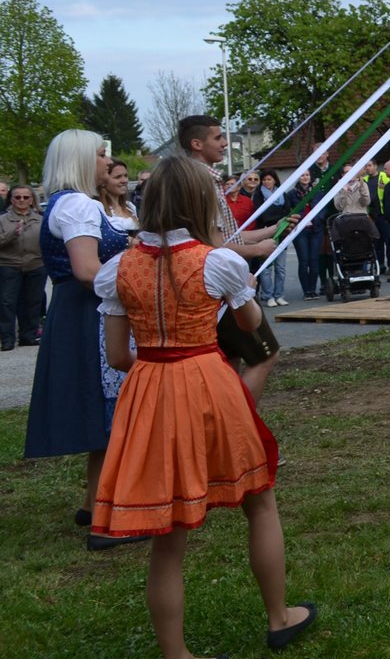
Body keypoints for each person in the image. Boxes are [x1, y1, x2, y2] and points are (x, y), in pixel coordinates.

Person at [90, 157, 318, 655]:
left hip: (150, 388)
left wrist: (158, 370)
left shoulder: (118, 268)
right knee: (259, 500)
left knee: (167, 534)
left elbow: (117, 356)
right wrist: (242, 292)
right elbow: (250, 323)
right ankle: (279, 617)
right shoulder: (217, 262)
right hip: (210, 384)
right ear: (199, 203)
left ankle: (176, 653)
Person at [23, 130, 143, 550]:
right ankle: (109, 521)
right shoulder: (78, 204)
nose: (106, 162)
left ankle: (93, 505)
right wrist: (141, 280)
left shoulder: (68, 202)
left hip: (82, 311)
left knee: (106, 418)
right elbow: (88, 271)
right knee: (113, 414)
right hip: (92, 315)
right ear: (78, 160)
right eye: (100, 155)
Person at [177, 115, 281, 401]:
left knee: (229, 357)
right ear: (197, 144)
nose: (225, 143)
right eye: (218, 137)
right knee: (265, 356)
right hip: (219, 284)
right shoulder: (202, 181)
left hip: (210, 281)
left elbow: (227, 235)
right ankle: (238, 422)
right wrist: (258, 250)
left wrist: (270, 231)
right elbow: (213, 242)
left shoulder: (199, 178)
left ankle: (222, 422)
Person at [1, 184, 47, 349]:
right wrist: (12, 234)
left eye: (26, 197)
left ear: (31, 200)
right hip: (9, 265)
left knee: (33, 302)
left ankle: (29, 335)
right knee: (7, 302)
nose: (21, 200)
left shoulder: (41, 220)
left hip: (35, 265)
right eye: (17, 197)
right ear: (11, 200)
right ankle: (7, 339)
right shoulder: (3, 220)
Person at [253, 169, 292, 307]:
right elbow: (261, 214)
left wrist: (273, 214)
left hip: (282, 233)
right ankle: (268, 296)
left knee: (280, 268)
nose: (266, 182)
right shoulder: (258, 195)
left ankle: (279, 295)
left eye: (269, 179)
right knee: (266, 268)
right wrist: (276, 215)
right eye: (264, 180)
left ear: (275, 180)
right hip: (264, 234)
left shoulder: (282, 194)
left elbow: (287, 212)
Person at [287, 171, 327, 300]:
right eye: (302, 175)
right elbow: (289, 211)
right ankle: (306, 291)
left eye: (307, 175)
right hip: (300, 230)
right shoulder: (291, 194)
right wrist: (302, 220)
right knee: (304, 261)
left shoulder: (318, 192)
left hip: (316, 229)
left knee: (314, 260)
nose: (305, 177)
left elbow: (323, 208)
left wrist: (317, 219)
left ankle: (313, 290)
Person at [100, 158, 140, 234]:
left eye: (125, 176)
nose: (124, 180)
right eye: (118, 177)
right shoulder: (100, 208)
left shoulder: (130, 207)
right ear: (104, 180)